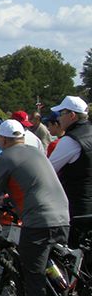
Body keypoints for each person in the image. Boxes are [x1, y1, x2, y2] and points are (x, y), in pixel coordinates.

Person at [0, 119, 72, 296]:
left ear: (3, 139)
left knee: (33, 279)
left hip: (38, 222)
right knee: (55, 278)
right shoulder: (37, 152)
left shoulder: (5, 157)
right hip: (63, 217)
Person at [47, 95, 92, 248]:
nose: (58, 118)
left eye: (61, 114)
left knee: (66, 255)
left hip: (76, 207)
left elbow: (47, 171)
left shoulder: (71, 140)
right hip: (89, 206)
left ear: (72, 115)